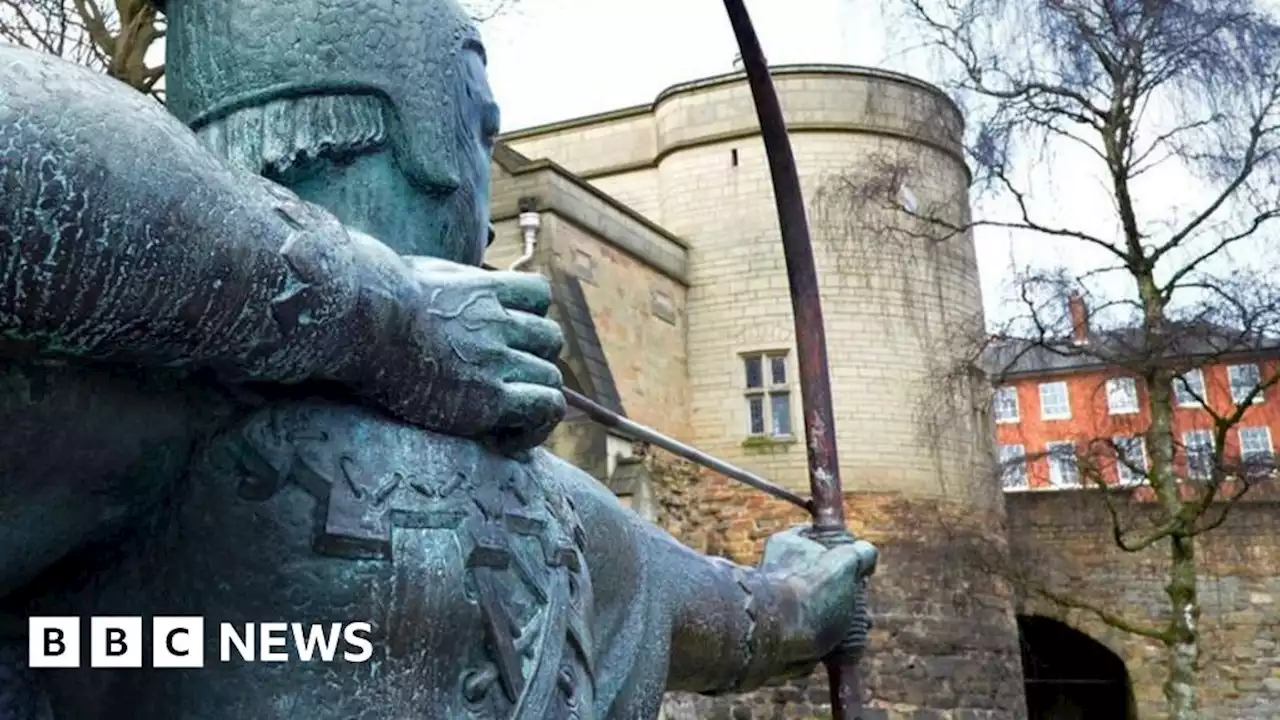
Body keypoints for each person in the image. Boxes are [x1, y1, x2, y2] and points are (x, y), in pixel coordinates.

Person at [0, 2, 876, 717]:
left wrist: (803, 596)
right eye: (480, 130)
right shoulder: (131, 421)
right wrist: (387, 316)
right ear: (429, 138)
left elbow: (752, 621)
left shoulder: (573, 517)